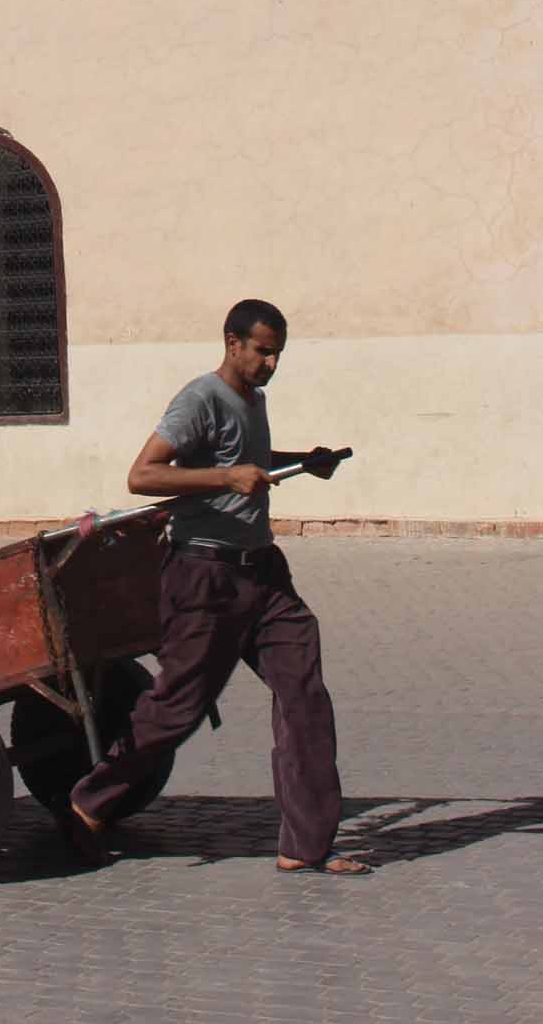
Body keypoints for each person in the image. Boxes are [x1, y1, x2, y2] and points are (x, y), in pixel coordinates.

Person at [68, 298, 371, 875]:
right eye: (262, 350)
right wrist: (226, 477)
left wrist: (302, 461)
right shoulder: (199, 398)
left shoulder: (255, 402)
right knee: (178, 706)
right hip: (203, 575)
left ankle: (305, 845)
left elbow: (247, 459)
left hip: (263, 573)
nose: (271, 363)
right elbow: (143, 475)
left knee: (303, 690)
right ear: (232, 343)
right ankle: (89, 801)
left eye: (278, 353)